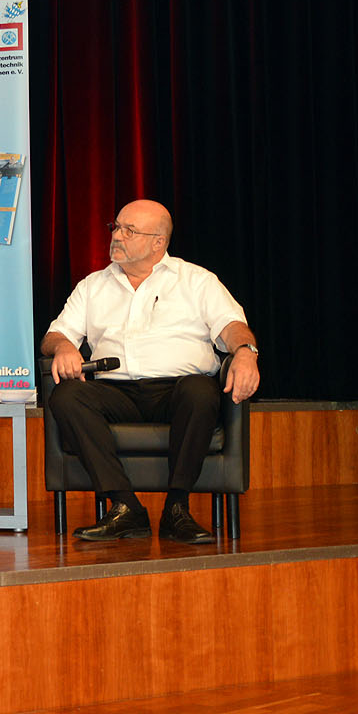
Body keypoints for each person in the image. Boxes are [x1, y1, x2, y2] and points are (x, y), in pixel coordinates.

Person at [42, 199, 261, 544]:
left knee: (200, 391)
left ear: (158, 242)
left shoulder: (197, 281)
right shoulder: (93, 285)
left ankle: (177, 509)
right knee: (67, 396)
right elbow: (54, 336)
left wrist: (246, 352)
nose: (117, 236)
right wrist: (64, 347)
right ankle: (125, 507)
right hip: (115, 391)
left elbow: (232, 326)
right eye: (116, 227)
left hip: (178, 390)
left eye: (129, 231)